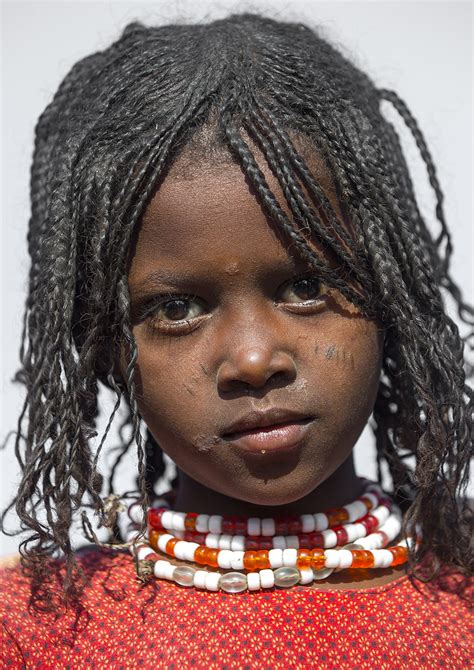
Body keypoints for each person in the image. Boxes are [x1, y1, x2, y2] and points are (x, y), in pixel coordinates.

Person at [0, 11, 472, 669]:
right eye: (177, 308)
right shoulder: (38, 630)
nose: (253, 359)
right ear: (105, 344)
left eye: (306, 287)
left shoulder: (462, 606)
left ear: (391, 298)